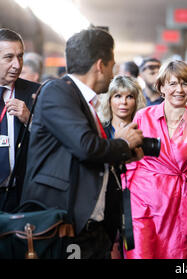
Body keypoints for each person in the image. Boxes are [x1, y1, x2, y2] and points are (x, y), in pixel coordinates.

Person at [21, 28, 144, 259]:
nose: (113, 71)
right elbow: (86, 147)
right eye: (112, 65)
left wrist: (124, 155)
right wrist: (123, 144)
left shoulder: (84, 100)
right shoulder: (57, 91)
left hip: (92, 228)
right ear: (100, 65)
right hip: (65, 225)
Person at [122, 60, 187, 259]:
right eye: (173, 84)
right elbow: (128, 163)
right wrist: (123, 206)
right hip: (142, 204)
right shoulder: (143, 116)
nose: (179, 89)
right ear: (162, 87)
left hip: (178, 205)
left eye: (185, 84)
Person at [0, 28, 40, 211]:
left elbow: (53, 139)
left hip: (24, 194)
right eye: (9, 58)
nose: (17, 65)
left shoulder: (36, 93)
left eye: (20, 56)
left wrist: (29, 120)